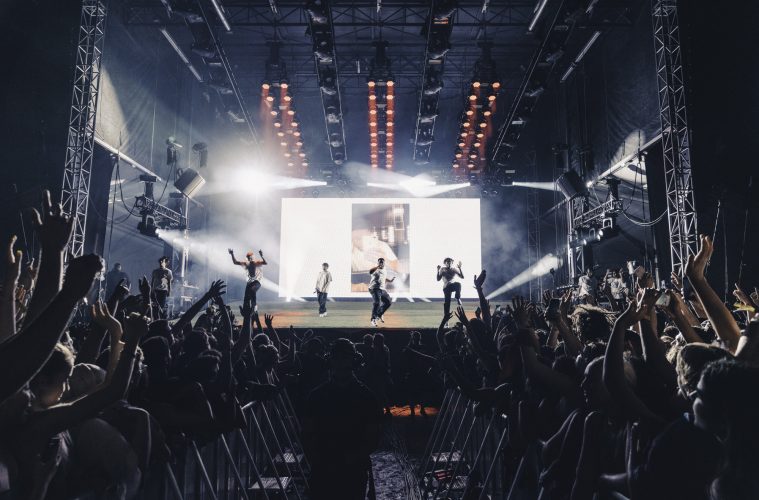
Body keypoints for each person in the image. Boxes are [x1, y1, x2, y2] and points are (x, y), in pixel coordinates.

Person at [303, 339, 382, 500]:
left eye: (343, 357)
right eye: (337, 358)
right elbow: (307, 433)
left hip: (344, 467)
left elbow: (373, 436)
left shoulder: (317, 396)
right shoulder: (366, 396)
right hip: (333, 466)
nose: (340, 362)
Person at [228, 248, 267, 312]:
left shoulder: (256, 263)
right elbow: (235, 262)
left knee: (252, 290)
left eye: (251, 257)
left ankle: (254, 305)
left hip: (257, 282)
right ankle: (245, 310)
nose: (250, 259)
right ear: (247, 258)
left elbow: (265, 263)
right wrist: (232, 254)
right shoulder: (246, 264)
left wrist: (261, 256)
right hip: (249, 282)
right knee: (246, 297)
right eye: (248, 258)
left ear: (253, 257)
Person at [368, 257, 395, 327]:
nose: (381, 263)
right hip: (374, 288)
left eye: (382, 262)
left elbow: (384, 277)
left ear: (384, 263)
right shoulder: (375, 270)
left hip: (382, 289)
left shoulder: (385, 269)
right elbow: (370, 271)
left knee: (388, 302)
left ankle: (379, 314)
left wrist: (390, 280)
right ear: (378, 263)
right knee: (377, 303)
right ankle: (373, 319)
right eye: (380, 262)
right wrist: (377, 266)